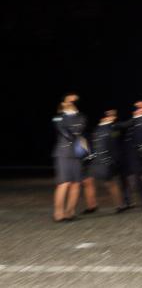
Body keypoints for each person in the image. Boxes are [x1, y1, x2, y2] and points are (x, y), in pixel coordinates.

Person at [52, 94, 88, 222]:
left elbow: (79, 128)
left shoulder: (80, 117)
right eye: (67, 101)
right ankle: (58, 213)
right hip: (63, 153)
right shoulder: (58, 118)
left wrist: (73, 116)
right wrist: (66, 112)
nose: (70, 102)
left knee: (76, 184)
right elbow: (65, 131)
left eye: (72, 102)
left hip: (76, 154)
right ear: (62, 105)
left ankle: (70, 212)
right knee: (63, 183)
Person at [89, 109, 127, 214]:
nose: (112, 117)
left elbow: (114, 147)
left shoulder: (112, 129)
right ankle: (92, 205)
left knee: (110, 183)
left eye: (113, 115)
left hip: (105, 161)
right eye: (109, 115)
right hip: (95, 160)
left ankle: (120, 205)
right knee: (89, 181)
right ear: (104, 117)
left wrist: (112, 161)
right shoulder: (97, 128)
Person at [118, 100, 142, 211]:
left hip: (136, 154)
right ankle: (127, 201)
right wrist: (110, 124)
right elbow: (121, 125)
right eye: (136, 107)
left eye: (140, 106)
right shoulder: (134, 120)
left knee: (138, 179)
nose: (137, 108)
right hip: (126, 153)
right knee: (123, 177)